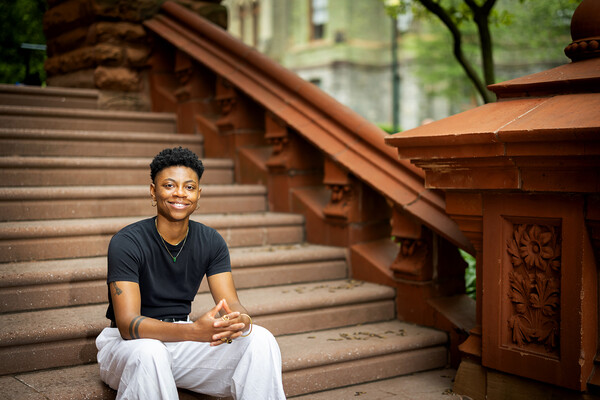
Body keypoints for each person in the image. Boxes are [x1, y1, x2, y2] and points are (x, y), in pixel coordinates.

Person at [95, 147, 286, 400]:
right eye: (169, 185)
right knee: (151, 353)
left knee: (260, 339)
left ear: (198, 194)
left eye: (189, 187)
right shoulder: (127, 242)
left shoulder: (211, 240)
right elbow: (129, 325)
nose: (180, 194)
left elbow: (232, 303)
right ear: (153, 191)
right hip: (129, 348)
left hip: (182, 344)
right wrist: (194, 331)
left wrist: (241, 320)